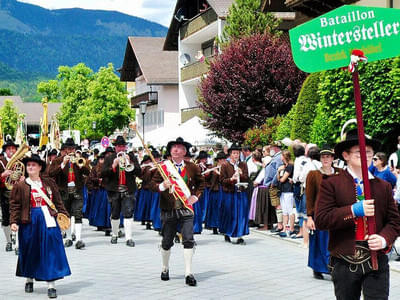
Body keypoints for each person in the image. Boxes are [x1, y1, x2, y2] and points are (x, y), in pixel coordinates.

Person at [315, 129, 400, 300]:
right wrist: (352, 210)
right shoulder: (331, 184)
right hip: (344, 260)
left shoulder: (383, 186)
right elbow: (322, 220)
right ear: (345, 155)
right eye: (359, 151)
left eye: (368, 151)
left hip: (376, 260)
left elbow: (395, 222)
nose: (365, 154)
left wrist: (384, 238)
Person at [9, 154, 71, 299]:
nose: (30, 167)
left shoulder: (49, 183)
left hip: (48, 218)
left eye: (33, 165)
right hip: (29, 220)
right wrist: (13, 221)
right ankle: (29, 278)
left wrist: (64, 215)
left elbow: (58, 201)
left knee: (51, 250)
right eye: (29, 165)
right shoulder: (20, 185)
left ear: (40, 167)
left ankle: (51, 285)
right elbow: (15, 205)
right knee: (30, 249)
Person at [150, 137, 205, 286]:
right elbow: (151, 184)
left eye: (179, 148)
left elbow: (201, 183)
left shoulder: (192, 167)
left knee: (188, 239)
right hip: (168, 209)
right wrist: (162, 185)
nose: (176, 150)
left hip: (186, 208)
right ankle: (165, 267)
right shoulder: (163, 167)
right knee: (167, 241)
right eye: (173, 147)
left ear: (184, 151)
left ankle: (188, 273)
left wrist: (196, 196)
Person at [48, 137, 90, 249]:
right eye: (68, 149)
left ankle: (79, 239)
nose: (71, 151)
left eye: (72, 148)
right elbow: (50, 173)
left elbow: (88, 172)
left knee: (78, 213)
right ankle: (67, 238)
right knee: (65, 214)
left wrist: (81, 165)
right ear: (64, 150)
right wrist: (63, 164)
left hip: (77, 190)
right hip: (63, 191)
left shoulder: (79, 159)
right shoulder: (57, 161)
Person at [305, 146, 339, 280]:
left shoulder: (340, 173)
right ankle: (318, 267)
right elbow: (309, 197)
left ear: (332, 158)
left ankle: (333, 267)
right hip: (319, 215)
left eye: (328, 156)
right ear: (320, 159)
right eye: (323, 157)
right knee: (319, 242)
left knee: (333, 242)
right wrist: (309, 217)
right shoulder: (313, 175)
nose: (326, 159)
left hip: (335, 214)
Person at [101, 136, 141, 247]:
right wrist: (113, 166)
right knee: (115, 213)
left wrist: (130, 163)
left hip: (128, 189)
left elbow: (139, 172)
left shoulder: (131, 156)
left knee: (128, 212)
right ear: (115, 147)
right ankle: (114, 234)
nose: (121, 148)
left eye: (123, 146)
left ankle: (129, 238)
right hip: (114, 190)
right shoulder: (109, 158)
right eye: (119, 146)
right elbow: (102, 173)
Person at [219, 143, 249, 244]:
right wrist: (231, 179)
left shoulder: (243, 164)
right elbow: (222, 180)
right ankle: (228, 233)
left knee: (241, 214)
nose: (236, 155)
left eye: (237, 153)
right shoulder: (225, 165)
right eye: (234, 153)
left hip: (241, 192)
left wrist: (241, 174)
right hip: (230, 193)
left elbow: (247, 178)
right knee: (230, 214)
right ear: (230, 154)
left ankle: (240, 235)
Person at [0, 137, 21, 253]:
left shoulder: (20, 161)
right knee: (6, 219)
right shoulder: (1, 161)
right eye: (9, 149)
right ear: (5, 150)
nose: (12, 151)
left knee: (17, 217)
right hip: (4, 193)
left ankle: (17, 244)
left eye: (13, 148)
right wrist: (3, 174)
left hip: (17, 193)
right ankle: (9, 241)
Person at [276, 150, 295, 238]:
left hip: (288, 190)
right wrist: (278, 171)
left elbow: (282, 179)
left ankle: (291, 228)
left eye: (281, 156)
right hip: (282, 190)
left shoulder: (290, 166)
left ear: (284, 157)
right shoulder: (284, 166)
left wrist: (280, 173)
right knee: (284, 211)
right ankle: (284, 228)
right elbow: (278, 178)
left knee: (290, 210)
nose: (280, 157)